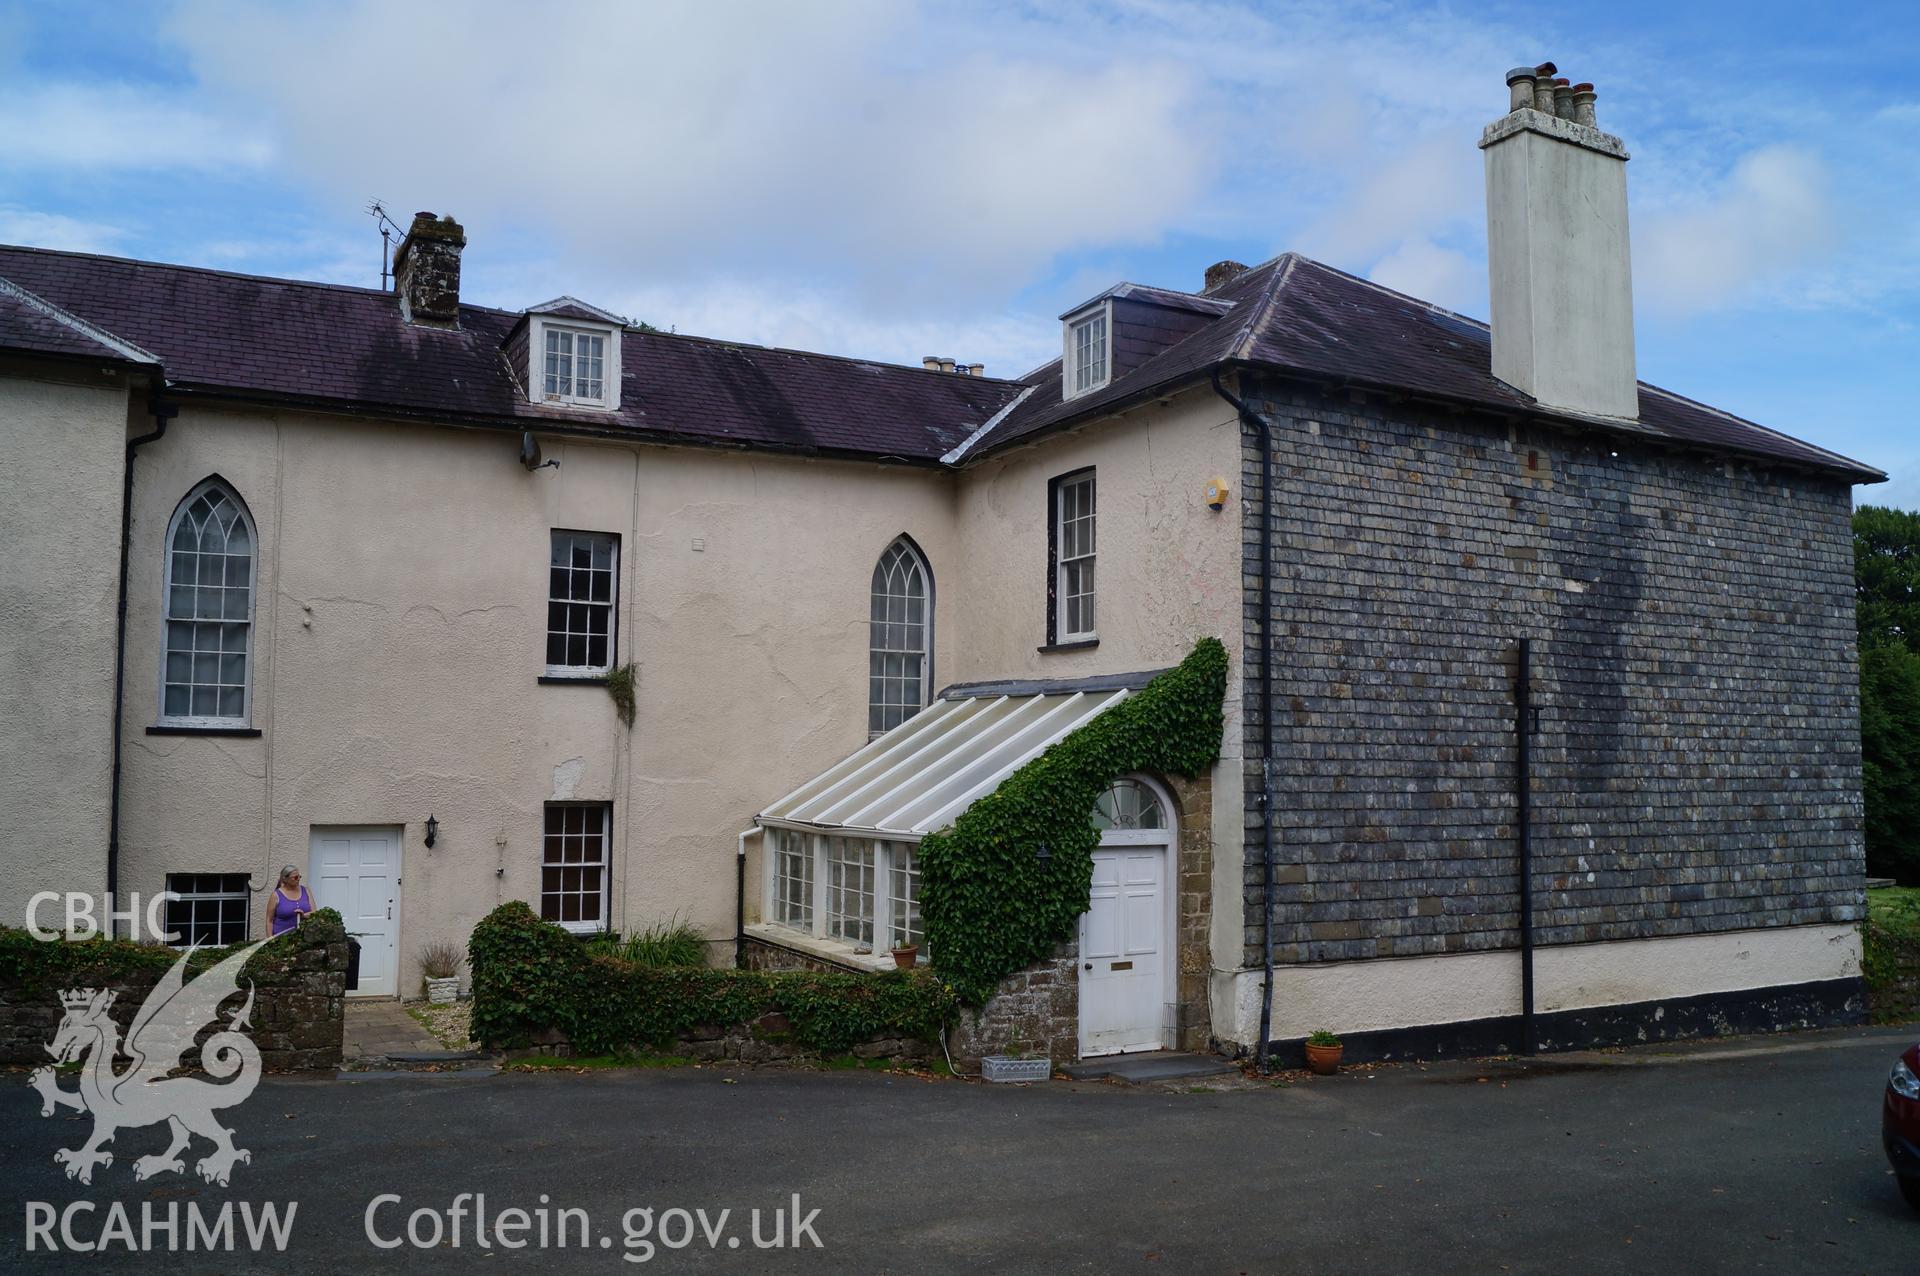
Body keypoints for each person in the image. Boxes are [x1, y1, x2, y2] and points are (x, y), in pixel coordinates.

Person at [268, 865, 313, 937]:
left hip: (303, 939)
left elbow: (314, 913)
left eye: (299, 876)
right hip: (281, 939)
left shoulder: (306, 891)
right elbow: (269, 920)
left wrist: (304, 916)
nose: (298, 879)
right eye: (295, 877)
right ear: (285, 879)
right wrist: (270, 940)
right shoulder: (276, 895)